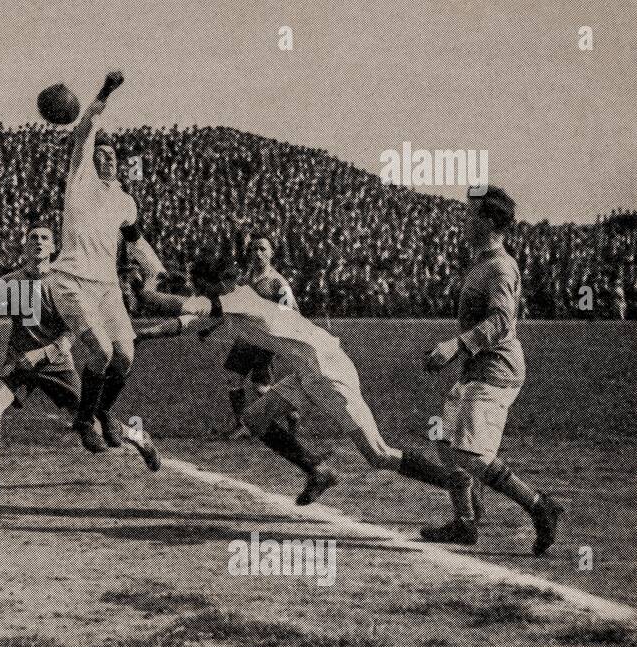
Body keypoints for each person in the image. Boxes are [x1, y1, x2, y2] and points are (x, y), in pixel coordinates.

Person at [136, 253, 457, 507]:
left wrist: (146, 291)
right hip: (307, 369)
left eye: (201, 283)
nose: (197, 289)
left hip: (328, 369)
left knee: (379, 455)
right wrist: (146, 334)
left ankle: (455, 483)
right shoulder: (233, 302)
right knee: (255, 418)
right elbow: (186, 321)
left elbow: (188, 306)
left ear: (219, 282)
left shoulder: (240, 300)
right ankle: (317, 471)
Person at [0, 225, 160, 499]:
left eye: (45, 238)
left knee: (93, 426)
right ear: (25, 246)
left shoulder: (64, 284)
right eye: (33, 238)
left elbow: (72, 335)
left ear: (54, 248)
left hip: (57, 364)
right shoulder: (10, 282)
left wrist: (41, 355)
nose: (39, 242)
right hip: (21, 362)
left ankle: (138, 437)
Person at [418, 186, 563, 554]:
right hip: (476, 370)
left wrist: (455, 345)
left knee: (469, 454)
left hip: (496, 371)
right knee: (443, 439)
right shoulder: (482, 263)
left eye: (470, 214)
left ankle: (539, 506)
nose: (464, 221)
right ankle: (465, 522)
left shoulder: (500, 266)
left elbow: (501, 320)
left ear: (486, 221)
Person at [47, 70, 142, 454]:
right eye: (99, 154)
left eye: (112, 155)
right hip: (70, 278)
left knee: (125, 357)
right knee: (101, 353)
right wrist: (105, 92)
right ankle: (86, 420)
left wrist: (153, 271)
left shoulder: (125, 201)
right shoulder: (79, 179)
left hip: (106, 286)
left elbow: (136, 241)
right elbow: (87, 125)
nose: (106, 159)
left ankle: (101, 411)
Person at [221, 237, 298, 439]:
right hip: (246, 339)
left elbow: (292, 311)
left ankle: (290, 412)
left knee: (260, 387)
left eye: (262, 249)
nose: (257, 253)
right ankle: (241, 425)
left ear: (271, 253)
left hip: (265, 340)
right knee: (232, 377)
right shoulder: (246, 279)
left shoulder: (277, 282)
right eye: (253, 249)